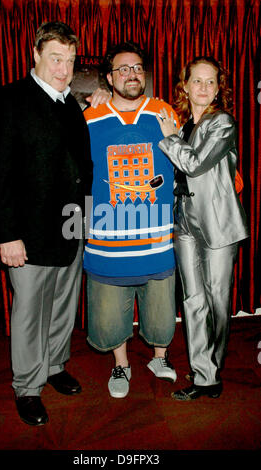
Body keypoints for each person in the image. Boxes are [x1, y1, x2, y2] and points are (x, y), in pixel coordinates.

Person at [0, 21, 108, 426]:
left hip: (71, 228)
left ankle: (54, 366)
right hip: (28, 233)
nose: (63, 69)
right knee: (30, 312)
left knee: (62, 308)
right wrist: (8, 235)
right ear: (35, 56)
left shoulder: (70, 104)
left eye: (70, 61)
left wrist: (85, 218)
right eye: (56, 59)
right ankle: (27, 386)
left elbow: (80, 167)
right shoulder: (9, 100)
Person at [83, 42, 179, 399]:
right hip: (108, 236)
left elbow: (186, 162)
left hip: (155, 235)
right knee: (110, 313)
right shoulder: (90, 117)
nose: (132, 74)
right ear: (109, 78)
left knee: (160, 308)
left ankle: (159, 357)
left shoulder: (164, 112)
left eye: (137, 67)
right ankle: (120, 363)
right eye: (123, 69)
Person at [157, 56, 248, 401]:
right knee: (193, 300)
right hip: (185, 222)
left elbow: (193, 165)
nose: (204, 88)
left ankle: (214, 363)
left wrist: (168, 139)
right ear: (185, 85)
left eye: (211, 82)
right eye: (198, 80)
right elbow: (180, 175)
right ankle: (204, 374)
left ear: (218, 88)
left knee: (218, 302)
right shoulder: (181, 127)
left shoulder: (222, 122)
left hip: (219, 224)